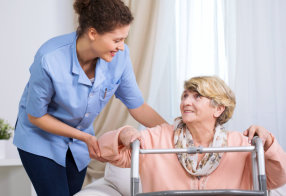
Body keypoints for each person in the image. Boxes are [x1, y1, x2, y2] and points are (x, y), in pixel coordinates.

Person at [13, 0, 166, 195]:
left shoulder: (120, 58)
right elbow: (36, 116)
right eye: (117, 40)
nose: (121, 47)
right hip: (40, 138)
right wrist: (84, 137)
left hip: (79, 145)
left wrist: (173, 132)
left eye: (124, 39)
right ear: (93, 33)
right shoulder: (49, 58)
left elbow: (138, 106)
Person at [97, 76, 286, 193]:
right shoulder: (157, 137)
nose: (186, 101)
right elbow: (103, 151)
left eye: (197, 96)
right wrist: (123, 134)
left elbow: (277, 178)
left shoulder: (240, 143)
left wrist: (268, 142)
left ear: (218, 109)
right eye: (184, 96)